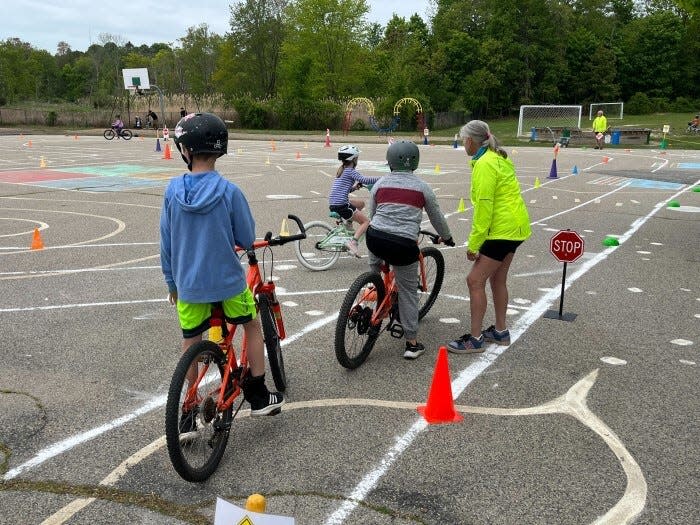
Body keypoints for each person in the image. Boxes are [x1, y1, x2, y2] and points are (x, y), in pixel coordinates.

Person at [160, 112, 283, 419]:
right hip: (227, 283)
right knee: (252, 327)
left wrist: (171, 282)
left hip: (188, 285)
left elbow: (167, 243)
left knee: (191, 343)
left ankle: (188, 410)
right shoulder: (229, 192)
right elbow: (244, 235)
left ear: (186, 150)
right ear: (219, 150)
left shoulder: (172, 192)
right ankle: (257, 395)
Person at [447, 120, 531, 354]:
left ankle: (475, 339)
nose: (463, 144)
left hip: (501, 230)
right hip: (516, 227)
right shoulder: (499, 157)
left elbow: (484, 209)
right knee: (498, 279)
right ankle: (501, 331)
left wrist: (474, 245)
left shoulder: (484, 164)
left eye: (464, 139)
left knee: (475, 280)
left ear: (471, 141)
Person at [367, 140, 454, 360]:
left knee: (376, 265)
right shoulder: (423, 187)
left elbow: (373, 214)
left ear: (389, 162)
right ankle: (412, 343)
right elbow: (436, 217)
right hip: (403, 244)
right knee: (408, 291)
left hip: (375, 237)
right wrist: (447, 237)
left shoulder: (379, 184)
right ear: (415, 162)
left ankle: (373, 283)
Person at [328, 145, 380, 257]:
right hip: (342, 205)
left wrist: (354, 188)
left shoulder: (342, 170)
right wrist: (382, 178)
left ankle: (348, 224)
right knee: (366, 222)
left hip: (335, 203)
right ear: (354, 159)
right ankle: (353, 242)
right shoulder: (350, 171)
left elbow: (342, 189)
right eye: (357, 157)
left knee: (361, 204)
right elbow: (365, 179)